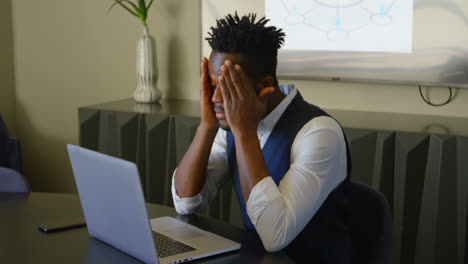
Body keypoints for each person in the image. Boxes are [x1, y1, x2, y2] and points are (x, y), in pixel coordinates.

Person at [172, 12, 352, 263]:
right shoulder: (230, 125)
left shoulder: (319, 133)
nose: (215, 99)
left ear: (265, 83)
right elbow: (186, 203)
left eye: (229, 88)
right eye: (213, 86)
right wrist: (206, 126)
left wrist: (245, 133)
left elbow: (274, 237)